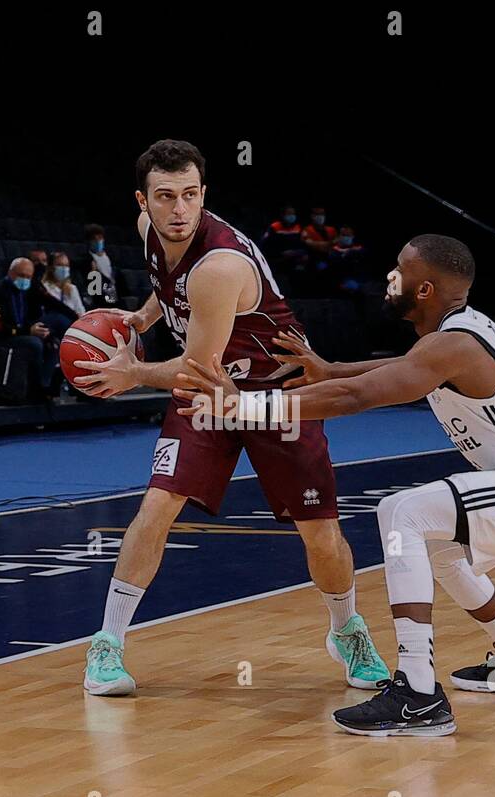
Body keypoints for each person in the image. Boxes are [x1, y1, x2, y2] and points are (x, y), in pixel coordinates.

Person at [174, 234, 495, 737]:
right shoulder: (450, 336)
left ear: (424, 290)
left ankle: (419, 695)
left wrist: (244, 406)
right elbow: (401, 369)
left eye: (400, 269)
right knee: (441, 550)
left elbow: (358, 396)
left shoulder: (456, 344)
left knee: (404, 513)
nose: (389, 276)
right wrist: (332, 369)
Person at [71, 139, 389, 696]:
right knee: (157, 505)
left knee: (320, 533)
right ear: (142, 202)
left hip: (272, 393)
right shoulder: (152, 233)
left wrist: (132, 374)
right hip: (208, 396)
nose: (178, 209)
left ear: (204, 196)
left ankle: (348, 630)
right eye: (165, 197)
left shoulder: (219, 266)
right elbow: (165, 288)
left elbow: (196, 367)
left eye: (190, 196)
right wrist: (144, 317)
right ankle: (107, 644)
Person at [0, 257, 67, 398]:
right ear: (11, 273)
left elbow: (34, 315)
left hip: (21, 333)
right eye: (21, 276)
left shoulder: (27, 292)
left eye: (28, 277)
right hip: (0, 339)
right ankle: (34, 389)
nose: (25, 280)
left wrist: (41, 331)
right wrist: (28, 330)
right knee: (34, 344)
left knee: (53, 343)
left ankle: (46, 385)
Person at [83, 223, 119, 308]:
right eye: (94, 239)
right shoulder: (86, 261)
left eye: (99, 238)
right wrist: (94, 274)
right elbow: (93, 290)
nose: (97, 241)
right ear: (89, 241)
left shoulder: (112, 257)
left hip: (115, 297)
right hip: (100, 300)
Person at [40, 251, 86, 317]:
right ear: (50, 268)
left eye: (66, 265)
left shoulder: (72, 288)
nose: (64, 269)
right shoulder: (44, 287)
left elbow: (81, 312)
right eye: (59, 265)